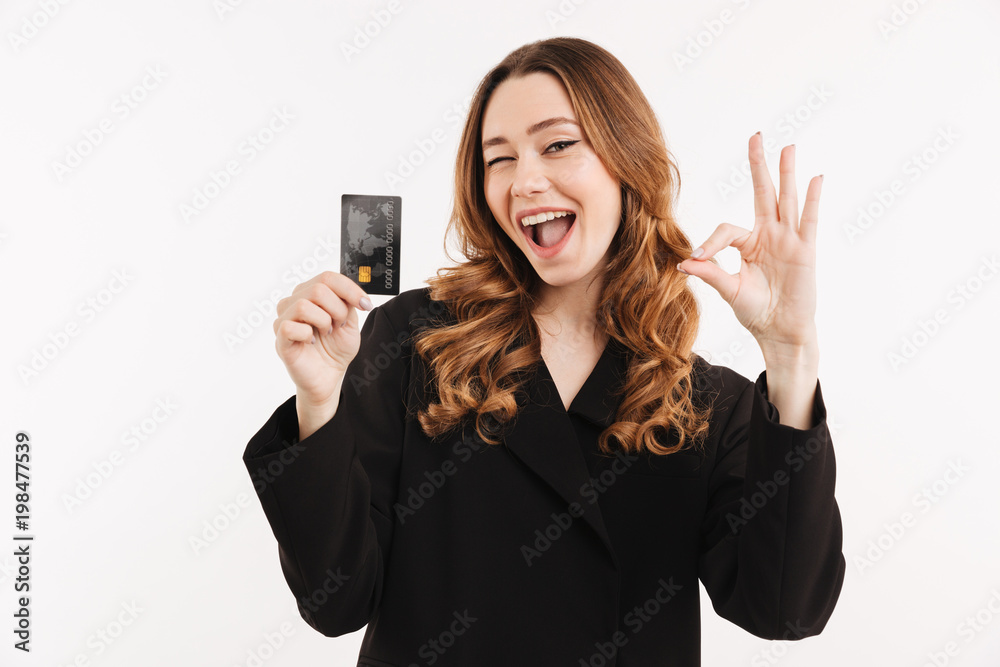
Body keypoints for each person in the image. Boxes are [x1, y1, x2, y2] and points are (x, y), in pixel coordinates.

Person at [243, 37, 845, 666]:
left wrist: (790, 354)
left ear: (625, 161)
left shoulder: (707, 404)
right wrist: (318, 402)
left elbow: (785, 608)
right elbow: (335, 602)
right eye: (498, 159)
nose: (526, 180)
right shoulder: (414, 339)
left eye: (558, 144)